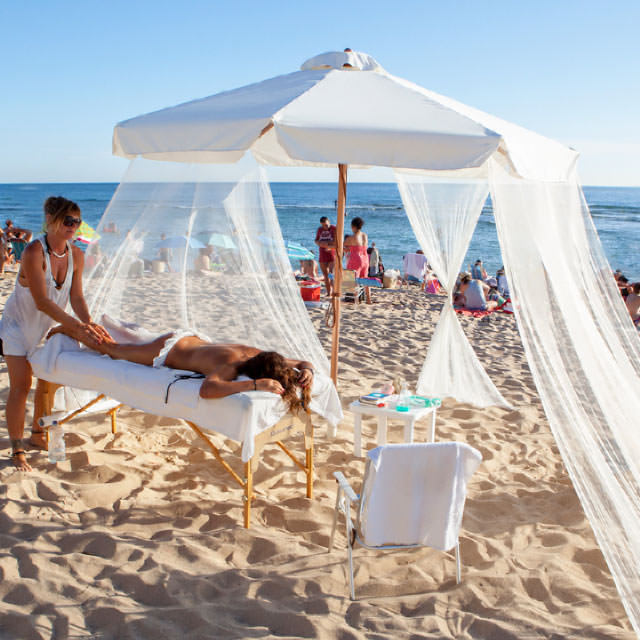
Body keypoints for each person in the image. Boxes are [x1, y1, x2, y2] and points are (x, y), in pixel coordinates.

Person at [0, 197, 112, 471]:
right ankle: (17, 449)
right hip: (18, 327)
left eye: (77, 221)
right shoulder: (33, 252)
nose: (74, 226)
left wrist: (88, 322)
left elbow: (77, 297)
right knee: (21, 386)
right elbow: (42, 302)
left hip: (49, 326)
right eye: (68, 220)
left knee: (48, 382)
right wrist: (76, 327)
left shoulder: (77, 255)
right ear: (50, 220)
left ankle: (38, 435)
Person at [47, 321, 314, 415]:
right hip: (167, 351)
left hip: (189, 338)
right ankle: (68, 329)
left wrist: (307, 371)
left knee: (128, 341)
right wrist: (255, 385)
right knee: (112, 351)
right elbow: (207, 390)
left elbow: (302, 362)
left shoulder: (257, 353)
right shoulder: (231, 366)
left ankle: (109, 325)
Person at [345, 216, 372, 304]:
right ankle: (368, 299)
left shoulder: (352, 237)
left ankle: (356, 300)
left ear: (353, 226)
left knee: (353, 279)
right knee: (365, 279)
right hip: (365, 259)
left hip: (356, 258)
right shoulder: (365, 235)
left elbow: (341, 245)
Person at [314, 216, 336, 297]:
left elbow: (337, 242)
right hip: (322, 254)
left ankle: (334, 292)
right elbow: (316, 240)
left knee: (331, 275)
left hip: (332, 255)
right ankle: (328, 293)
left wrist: (328, 244)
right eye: (323, 225)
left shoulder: (334, 229)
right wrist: (319, 243)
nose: (325, 227)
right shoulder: (320, 229)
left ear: (329, 222)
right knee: (325, 276)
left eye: (326, 225)